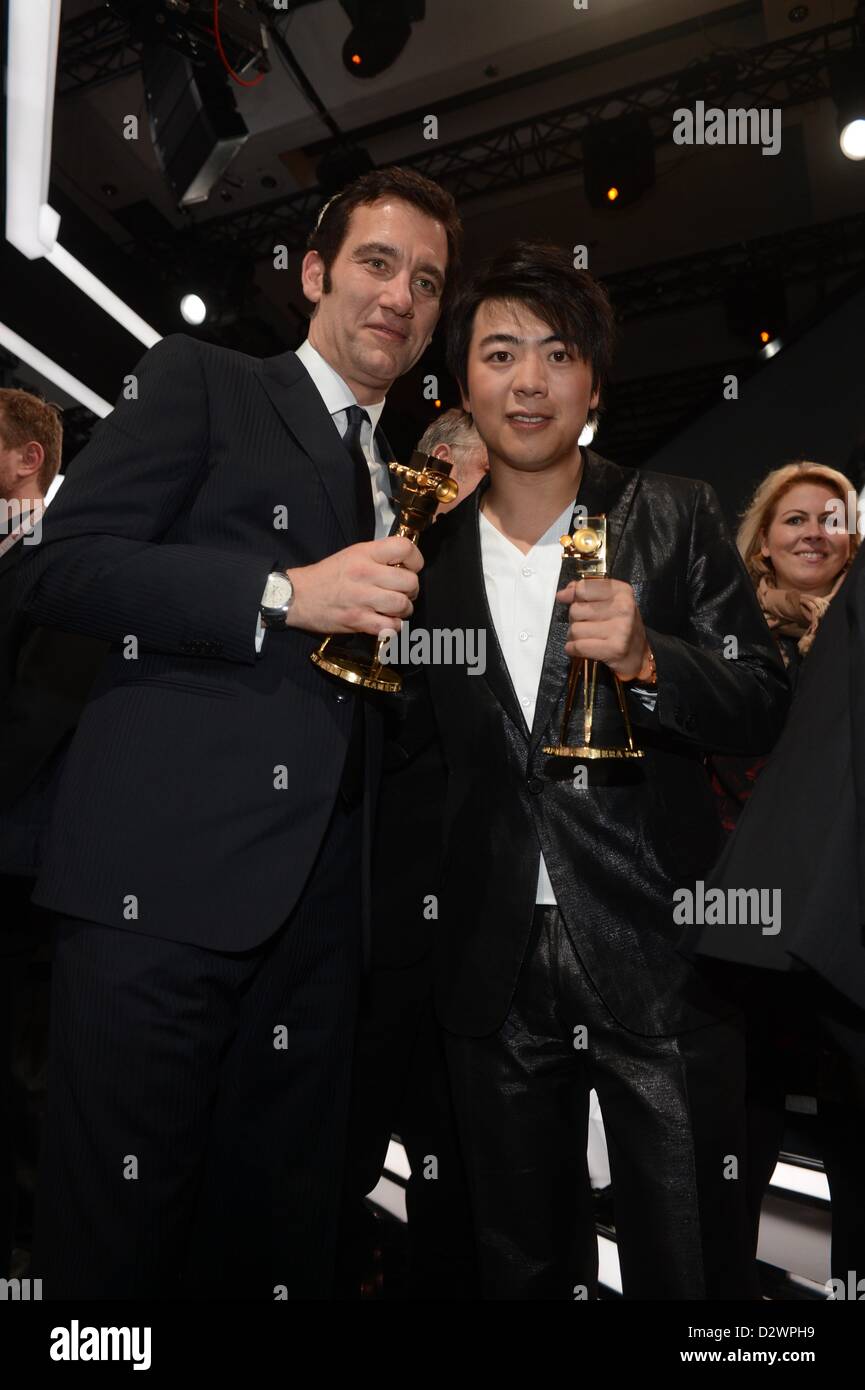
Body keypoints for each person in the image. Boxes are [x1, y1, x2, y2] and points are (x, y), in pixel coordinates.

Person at [15, 165, 461, 1300]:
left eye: (425, 281)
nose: (399, 297)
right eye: (375, 262)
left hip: (315, 935)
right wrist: (278, 593)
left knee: (266, 1242)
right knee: (113, 1242)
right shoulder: (206, 381)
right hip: (155, 898)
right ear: (314, 274)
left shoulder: (400, 483)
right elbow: (65, 569)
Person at [397, 240, 789, 1299]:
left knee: (693, 1260)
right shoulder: (418, 563)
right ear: (463, 382)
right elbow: (402, 755)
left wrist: (657, 660)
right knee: (518, 1261)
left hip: (655, 948)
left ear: (594, 383)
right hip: (489, 963)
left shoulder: (675, 511)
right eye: (500, 353)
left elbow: (760, 702)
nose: (528, 381)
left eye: (556, 354)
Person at [687, 462, 863, 1283]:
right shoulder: (731, 641)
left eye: (832, 518)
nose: (813, 532)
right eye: (793, 519)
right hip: (748, 945)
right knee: (731, 1167)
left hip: (835, 939)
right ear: (760, 543)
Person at [337, 409, 485, 1300]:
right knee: (340, 1153)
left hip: (481, 937)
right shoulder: (375, 582)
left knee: (463, 1166)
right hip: (377, 926)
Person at [0, 389, 107, 1278]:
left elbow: (39, 713)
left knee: (30, 1084)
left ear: (26, 460)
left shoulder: (66, 560)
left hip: (32, 872)